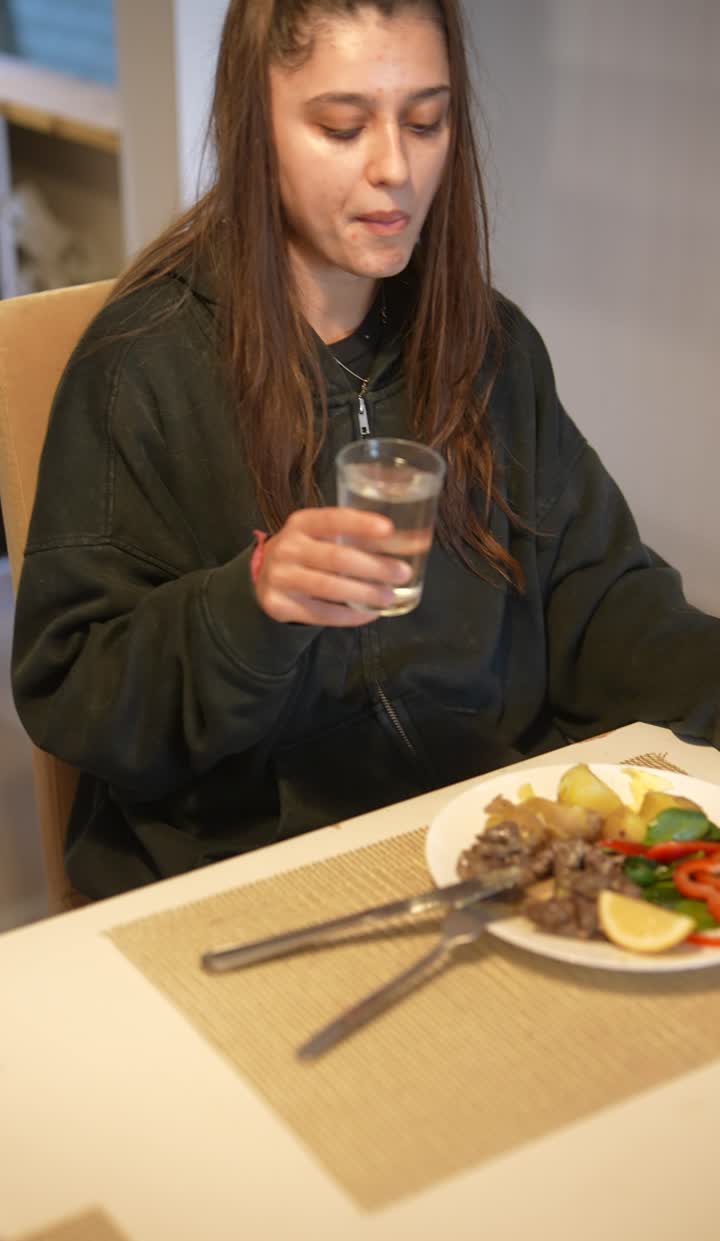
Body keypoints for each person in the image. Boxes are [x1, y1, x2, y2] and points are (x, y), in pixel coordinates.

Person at [11, 0, 720, 899]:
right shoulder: (142, 368)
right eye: (341, 126)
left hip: (485, 846)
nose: (396, 168)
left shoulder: (487, 347)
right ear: (252, 122)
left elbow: (600, 603)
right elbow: (74, 691)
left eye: (426, 120)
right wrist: (250, 608)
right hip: (251, 879)